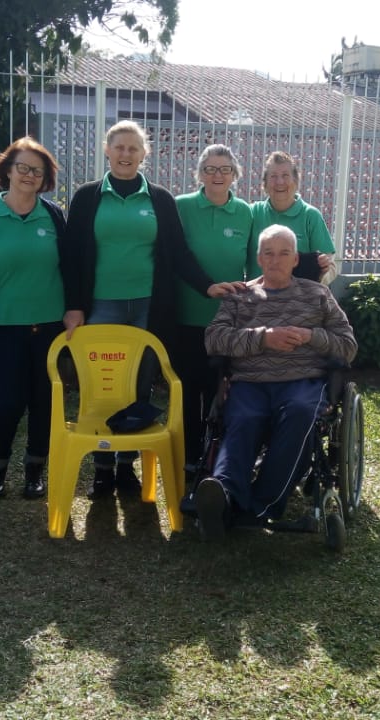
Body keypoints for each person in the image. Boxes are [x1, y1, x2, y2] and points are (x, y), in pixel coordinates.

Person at [61, 120, 241, 500]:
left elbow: (178, 254)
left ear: (145, 154)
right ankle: (102, 471)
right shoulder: (86, 196)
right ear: (107, 151)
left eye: (134, 148)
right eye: (119, 147)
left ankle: (126, 469)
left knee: (139, 385)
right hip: (101, 306)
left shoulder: (160, 199)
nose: (126, 155)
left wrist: (207, 285)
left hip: (148, 308)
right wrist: (75, 307)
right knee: (101, 386)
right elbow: (72, 257)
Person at [196, 224, 358, 540]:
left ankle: (262, 504)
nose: (275, 260)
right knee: (242, 418)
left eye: (284, 253)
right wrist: (263, 339)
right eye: (268, 253)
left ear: (296, 259)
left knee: (299, 413)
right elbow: (213, 339)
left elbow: (348, 345)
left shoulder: (317, 294)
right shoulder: (240, 296)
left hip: (303, 382)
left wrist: (313, 336)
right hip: (251, 381)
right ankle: (224, 496)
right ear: (258, 257)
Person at [0, 136, 67, 500]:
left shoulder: (53, 215)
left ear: (45, 178)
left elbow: (69, 267)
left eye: (37, 170)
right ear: (7, 170)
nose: (29, 175)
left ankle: (35, 471)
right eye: (22, 167)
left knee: (44, 400)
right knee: (10, 401)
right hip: (6, 324)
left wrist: (73, 309)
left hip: (50, 324)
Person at [172, 144, 254, 469]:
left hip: (227, 323)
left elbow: (256, 265)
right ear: (199, 174)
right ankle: (189, 458)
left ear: (235, 174)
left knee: (219, 391)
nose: (217, 175)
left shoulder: (247, 213)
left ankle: (214, 458)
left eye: (224, 169)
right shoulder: (180, 207)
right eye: (210, 168)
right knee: (188, 391)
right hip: (187, 318)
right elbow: (174, 257)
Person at [250, 151, 338, 283]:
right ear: (265, 184)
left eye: (285, 175)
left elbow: (330, 266)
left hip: (300, 300)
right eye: (273, 176)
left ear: (296, 181)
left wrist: (322, 272)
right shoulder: (252, 213)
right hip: (258, 299)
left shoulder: (311, 216)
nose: (279, 182)